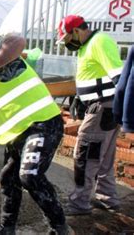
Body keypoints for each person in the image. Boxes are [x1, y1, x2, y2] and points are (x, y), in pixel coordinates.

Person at [0, 36, 70, 234]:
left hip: (42, 122)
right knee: (8, 178)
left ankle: (59, 227)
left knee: (29, 175)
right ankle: (7, 228)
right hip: (18, 134)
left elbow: (17, 41)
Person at [57, 15, 123, 215]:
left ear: (76, 30)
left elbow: (119, 77)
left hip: (102, 108)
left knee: (86, 155)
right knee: (103, 157)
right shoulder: (88, 46)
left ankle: (79, 203)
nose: (68, 44)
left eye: (68, 39)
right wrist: (81, 96)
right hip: (104, 107)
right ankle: (107, 198)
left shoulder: (99, 42)